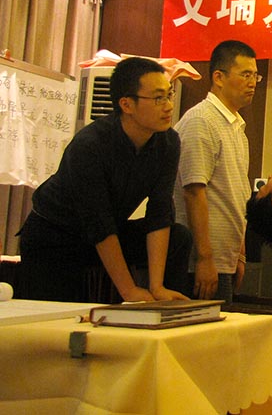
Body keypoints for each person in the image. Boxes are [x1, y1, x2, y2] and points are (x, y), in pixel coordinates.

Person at [17, 57, 191, 302]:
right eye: (158, 98)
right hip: (55, 236)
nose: (169, 106)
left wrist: (157, 286)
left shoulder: (168, 142)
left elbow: (159, 211)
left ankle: (170, 312)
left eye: (169, 95)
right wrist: (129, 291)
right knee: (62, 317)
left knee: (179, 237)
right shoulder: (90, 145)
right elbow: (99, 222)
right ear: (127, 104)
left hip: (105, 230)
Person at [173, 40, 258, 302]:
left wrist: (239, 255)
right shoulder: (201, 120)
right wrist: (204, 258)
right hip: (198, 262)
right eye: (245, 75)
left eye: (255, 76)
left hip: (225, 259)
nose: (252, 83)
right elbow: (194, 191)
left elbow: (236, 197)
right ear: (219, 78)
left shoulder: (236, 127)